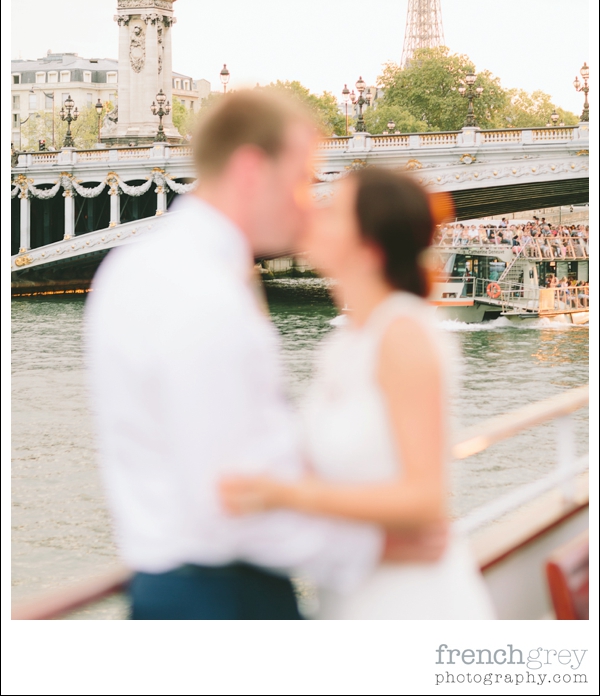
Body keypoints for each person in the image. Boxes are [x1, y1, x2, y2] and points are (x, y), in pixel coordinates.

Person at [86, 90, 446, 621]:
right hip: (226, 601)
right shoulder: (208, 294)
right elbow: (229, 498)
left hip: (170, 589)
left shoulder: (130, 267)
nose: (308, 202)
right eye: (302, 178)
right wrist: (375, 547)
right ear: (252, 170)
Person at [221, 168, 494, 619]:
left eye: (334, 211)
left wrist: (283, 495)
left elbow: (426, 497)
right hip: (353, 592)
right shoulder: (346, 342)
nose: (315, 214)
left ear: (369, 248)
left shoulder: (402, 334)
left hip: (411, 606)